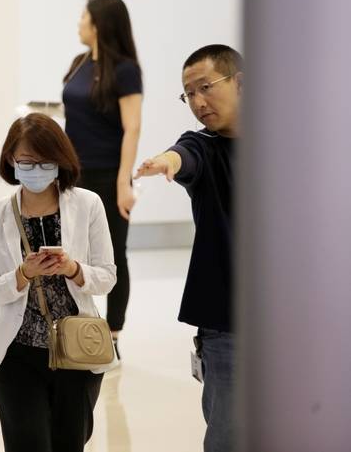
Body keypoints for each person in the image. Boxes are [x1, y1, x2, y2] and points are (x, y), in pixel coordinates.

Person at [0, 113, 117, 452]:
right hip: (17, 354)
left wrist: (72, 268)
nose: (35, 170)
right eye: (26, 162)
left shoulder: (87, 204)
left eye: (45, 162)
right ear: (11, 161)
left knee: (69, 442)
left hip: (77, 350)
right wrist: (22, 274)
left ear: (60, 161)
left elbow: (107, 277)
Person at [134, 44, 242, 452]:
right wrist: (166, 162)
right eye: (188, 95)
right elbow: (184, 156)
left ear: (240, 83)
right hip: (227, 324)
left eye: (205, 88)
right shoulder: (204, 147)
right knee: (228, 437)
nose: (197, 102)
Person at [61, 0, 142, 357]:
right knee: (73, 250)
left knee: (112, 255)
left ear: (99, 25)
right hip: (73, 173)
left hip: (108, 174)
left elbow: (133, 127)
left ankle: (113, 334)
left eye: (84, 16)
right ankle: (77, 322)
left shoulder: (125, 69)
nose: (79, 21)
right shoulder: (80, 63)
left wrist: (124, 181)